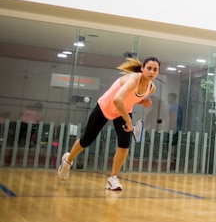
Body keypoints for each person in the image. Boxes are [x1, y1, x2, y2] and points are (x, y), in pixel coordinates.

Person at [57, 56, 160, 191]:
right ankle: (68, 160)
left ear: (158, 72)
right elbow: (118, 99)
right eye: (149, 68)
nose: (152, 72)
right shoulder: (134, 79)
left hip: (122, 110)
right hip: (105, 107)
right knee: (86, 140)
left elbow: (130, 97)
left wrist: (141, 101)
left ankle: (113, 178)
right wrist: (129, 121)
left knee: (124, 143)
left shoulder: (151, 88)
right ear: (142, 69)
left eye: (155, 70)